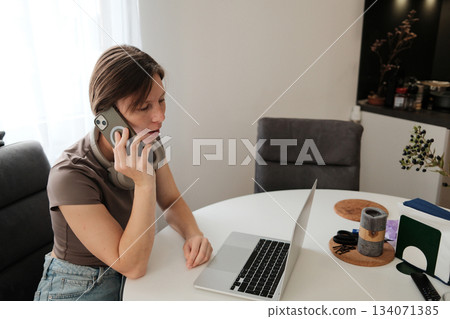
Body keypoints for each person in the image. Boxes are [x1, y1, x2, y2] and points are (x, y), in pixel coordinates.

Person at [34, 45, 212, 301]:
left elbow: (171, 200)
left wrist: (194, 233)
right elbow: (133, 266)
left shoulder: (146, 142)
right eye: (143, 107)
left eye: (161, 100)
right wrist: (144, 184)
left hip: (130, 273)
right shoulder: (70, 175)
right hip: (77, 287)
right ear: (107, 116)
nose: (160, 116)